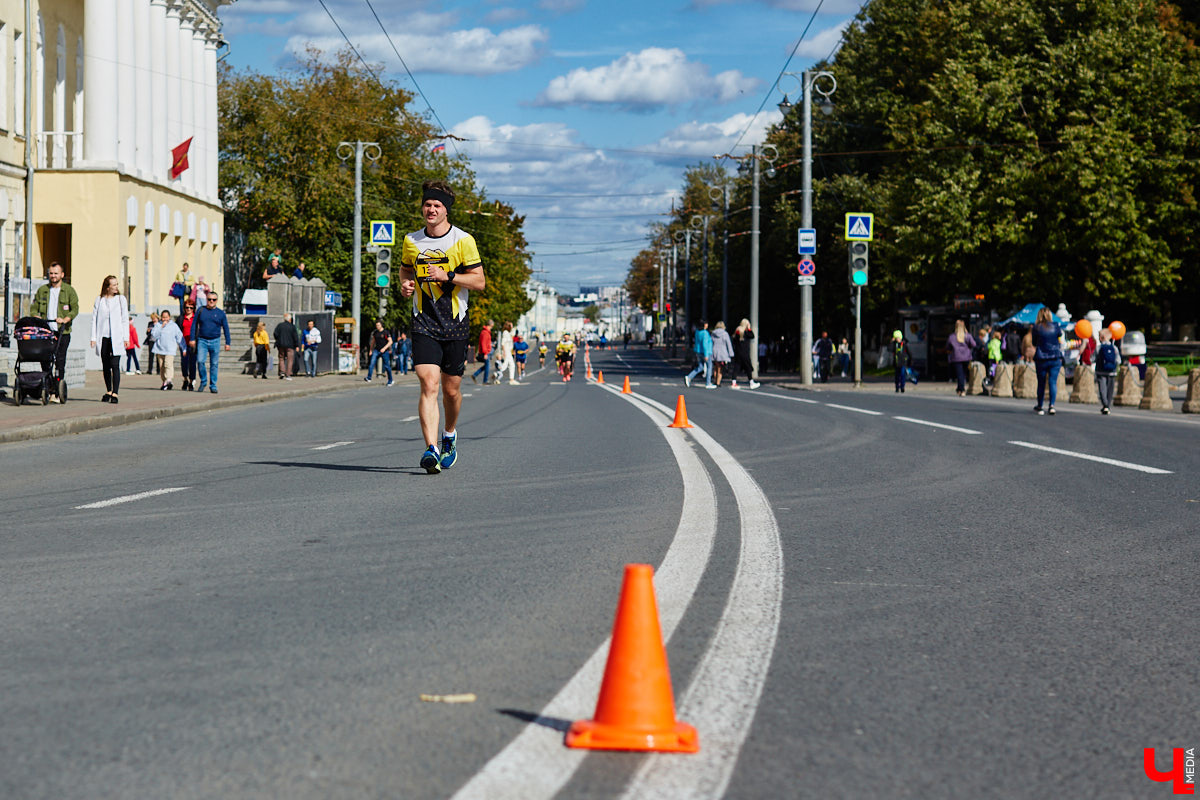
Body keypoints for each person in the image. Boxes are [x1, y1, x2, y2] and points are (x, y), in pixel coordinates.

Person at [397, 179, 486, 473]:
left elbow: (479, 282)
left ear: (446, 211)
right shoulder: (412, 241)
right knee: (428, 383)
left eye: (437, 205)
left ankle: (449, 435)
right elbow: (405, 269)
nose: (431, 209)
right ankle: (431, 449)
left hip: (456, 322)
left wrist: (448, 276)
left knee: (451, 391)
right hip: (424, 321)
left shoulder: (463, 240)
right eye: (427, 204)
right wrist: (405, 284)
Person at [30, 261, 79, 400]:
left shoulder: (69, 290)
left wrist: (66, 319)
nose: (53, 276)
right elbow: (34, 306)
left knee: (60, 361)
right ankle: (49, 387)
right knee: (45, 360)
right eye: (51, 273)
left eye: (56, 273)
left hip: (62, 332)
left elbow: (75, 308)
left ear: (62, 275)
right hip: (46, 332)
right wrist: (35, 315)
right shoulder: (43, 290)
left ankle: (58, 391)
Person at [89, 275, 130, 404]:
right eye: (114, 285)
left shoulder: (120, 300)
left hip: (116, 337)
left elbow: (125, 318)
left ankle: (115, 393)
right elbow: (94, 320)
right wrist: (93, 337)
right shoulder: (99, 300)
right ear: (107, 287)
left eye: (117, 284)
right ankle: (108, 390)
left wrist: (126, 337)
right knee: (106, 365)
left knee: (115, 365)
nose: (116, 287)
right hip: (103, 337)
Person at [189, 290, 231, 393]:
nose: (211, 301)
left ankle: (213, 385)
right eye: (209, 299)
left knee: (214, 364)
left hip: (215, 340)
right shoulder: (201, 310)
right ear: (206, 300)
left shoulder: (220, 313)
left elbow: (226, 328)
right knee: (200, 361)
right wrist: (192, 339)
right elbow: (194, 325)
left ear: (217, 301)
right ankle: (203, 381)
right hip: (202, 340)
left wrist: (227, 343)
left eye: (214, 299)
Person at [1031, 306, 1064, 415]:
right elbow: (1059, 336)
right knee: (1052, 382)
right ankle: (1051, 405)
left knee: (1041, 382)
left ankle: (1040, 406)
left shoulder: (1036, 327)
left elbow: (1034, 343)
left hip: (1041, 358)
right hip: (1055, 357)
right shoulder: (1055, 326)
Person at [151, 309, 184, 390]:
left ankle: (169, 379)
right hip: (160, 349)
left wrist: (184, 348)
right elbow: (154, 335)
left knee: (168, 364)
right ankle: (165, 381)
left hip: (170, 349)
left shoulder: (174, 326)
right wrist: (161, 327)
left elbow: (179, 336)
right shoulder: (158, 325)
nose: (164, 319)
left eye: (166, 317)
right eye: (163, 317)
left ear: (169, 317)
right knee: (162, 367)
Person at [946, 319, 978, 397]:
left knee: (959, 374)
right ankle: (960, 388)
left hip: (956, 357)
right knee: (963, 374)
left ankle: (961, 389)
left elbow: (948, 347)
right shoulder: (968, 336)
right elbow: (974, 344)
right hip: (966, 357)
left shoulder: (952, 337)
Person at [1094, 327, 1121, 415]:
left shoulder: (1098, 348)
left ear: (1101, 338)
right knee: (1110, 389)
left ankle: (1105, 405)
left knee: (1102, 389)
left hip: (1100, 371)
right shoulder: (1114, 348)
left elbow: (1093, 359)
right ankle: (1108, 405)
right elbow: (1118, 360)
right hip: (1112, 371)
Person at [684, 320, 714, 389]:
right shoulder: (705, 333)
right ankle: (708, 382)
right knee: (709, 366)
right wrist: (706, 354)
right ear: (704, 325)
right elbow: (705, 344)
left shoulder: (697, 332)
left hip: (698, 351)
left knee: (700, 367)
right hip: (705, 352)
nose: (707, 325)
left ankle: (689, 377)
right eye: (706, 324)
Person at [731, 319, 759, 388]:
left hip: (738, 352)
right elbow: (752, 336)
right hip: (745, 353)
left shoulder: (737, 332)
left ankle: (733, 382)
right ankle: (751, 383)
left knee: (736, 367)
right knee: (748, 367)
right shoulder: (746, 332)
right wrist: (749, 329)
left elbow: (734, 341)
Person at [365, 320, 394, 385]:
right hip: (376, 350)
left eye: (378, 325)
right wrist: (370, 350)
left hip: (384, 351)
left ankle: (390, 380)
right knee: (372, 363)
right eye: (376, 325)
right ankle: (369, 377)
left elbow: (390, 342)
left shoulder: (386, 332)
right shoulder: (375, 333)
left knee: (387, 366)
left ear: (381, 325)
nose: (377, 327)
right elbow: (373, 342)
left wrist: (384, 348)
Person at [273, 313, 300, 380]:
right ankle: (288, 374)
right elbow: (295, 337)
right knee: (290, 359)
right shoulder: (292, 326)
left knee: (281, 358)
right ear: (290, 319)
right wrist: (296, 345)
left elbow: (275, 334)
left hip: (281, 345)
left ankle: (282, 372)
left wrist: (278, 340)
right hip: (290, 346)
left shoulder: (280, 325)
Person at [179, 302, 198, 390]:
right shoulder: (181, 318)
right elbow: (177, 331)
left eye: (191, 307)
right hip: (184, 344)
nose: (189, 309)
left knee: (192, 363)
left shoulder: (196, 318)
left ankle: (191, 381)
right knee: (184, 363)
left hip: (194, 343)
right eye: (187, 307)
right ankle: (185, 379)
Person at [710, 320, 734, 387]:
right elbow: (728, 344)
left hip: (714, 351)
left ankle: (715, 381)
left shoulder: (713, 334)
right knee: (720, 368)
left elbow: (711, 343)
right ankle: (718, 382)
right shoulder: (725, 334)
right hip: (722, 353)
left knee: (715, 367)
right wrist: (731, 354)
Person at [470, 320, 494, 385]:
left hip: (486, 352)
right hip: (485, 353)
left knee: (487, 366)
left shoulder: (486, 332)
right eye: (492, 326)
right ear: (491, 325)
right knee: (487, 366)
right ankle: (485, 381)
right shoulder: (485, 333)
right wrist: (485, 353)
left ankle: (475, 375)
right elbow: (483, 344)